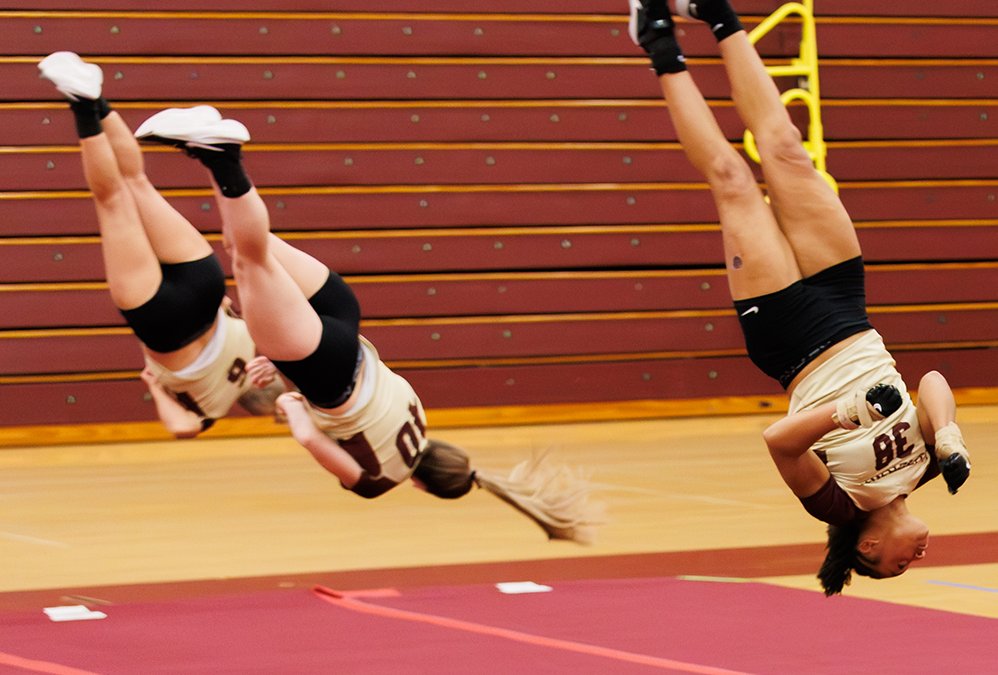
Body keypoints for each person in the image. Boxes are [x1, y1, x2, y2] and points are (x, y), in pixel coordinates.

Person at [625, 0, 973, 596]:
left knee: (732, 177)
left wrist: (847, 415)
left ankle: (657, 40)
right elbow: (929, 380)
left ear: (868, 547)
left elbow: (780, 442)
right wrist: (950, 435)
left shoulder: (836, 506)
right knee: (785, 147)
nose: (916, 557)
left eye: (897, 564)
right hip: (847, 306)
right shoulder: (927, 469)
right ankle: (714, 6)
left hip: (790, 337)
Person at [133, 104, 600, 542]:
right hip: (324, 366)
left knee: (246, 244)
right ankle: (223, 157)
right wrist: (291, 400)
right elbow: (308, 436)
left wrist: (286, 378)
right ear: (423, 487)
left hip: (346, 321)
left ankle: (201, 145)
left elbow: (366, 402)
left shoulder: (417, 418)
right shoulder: (379, 480)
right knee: (250, 260)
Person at [37, 51, 287, 437]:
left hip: (206, 287)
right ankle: (83, 105)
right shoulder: (210, 407)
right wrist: (155, 384)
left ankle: (96, 99)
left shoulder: (254, 342)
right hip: (164, 324)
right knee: (113, 201)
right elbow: (182, 429)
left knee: (137, 181)